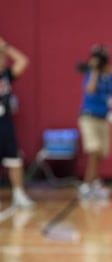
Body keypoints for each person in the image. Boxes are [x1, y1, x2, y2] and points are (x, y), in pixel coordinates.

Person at [78, 45, 112, 198]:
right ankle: (86, 185)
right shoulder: (91, 74)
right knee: (94, 149)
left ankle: (95, 182)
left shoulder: (110, 76)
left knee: (100, 153)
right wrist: (94, 70)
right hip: (89, 117)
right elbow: (90, 89)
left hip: (104, 119)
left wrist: (109, 68)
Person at [0, 37, 34, 208]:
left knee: (14, 159)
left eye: (3, 57)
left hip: (5, 124)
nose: (3, 60)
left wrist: (7, 47)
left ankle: (19, 193)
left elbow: (23, 61)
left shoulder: (6, 74)